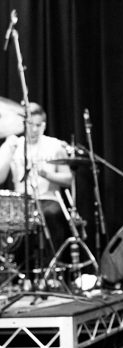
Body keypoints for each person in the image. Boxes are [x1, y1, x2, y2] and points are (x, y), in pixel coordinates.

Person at [0, 102, 73, 266]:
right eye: (30, 124)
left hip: (48, 199)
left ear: (44, 126)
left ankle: (52, 268)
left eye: (38, 125)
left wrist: (46, 174)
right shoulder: (15, 144)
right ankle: (15, 270)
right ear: (23, 124)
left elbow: (68, 179)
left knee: (50, 214)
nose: (34, 129)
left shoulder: (54, 145)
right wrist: (7, 150)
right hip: (21, 202)